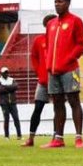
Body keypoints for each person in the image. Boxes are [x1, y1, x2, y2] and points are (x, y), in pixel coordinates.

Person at [46, 0, 83, 148]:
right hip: (53, 70)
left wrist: (69, 58)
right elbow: (48, 46)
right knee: (57, 104)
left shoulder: (75, 21)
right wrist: (49, 63)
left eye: (60, 1)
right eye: (55, 1)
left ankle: (78, 137)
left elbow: (80, 44)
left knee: (74, 101)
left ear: (68, 3)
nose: (57, 4)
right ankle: (58, 138)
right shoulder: (51, 24)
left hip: (69, 69)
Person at [24, 14, 56, 147]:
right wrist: (40, 72)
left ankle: (56, 137)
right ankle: (31, 138)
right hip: (43, 81)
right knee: (37, 108)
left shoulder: (59, 39)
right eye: (48, 24)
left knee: (58, 109)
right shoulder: (39, 40)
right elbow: (34, 57)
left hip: (57, 79)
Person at [0, 67, 22, 141]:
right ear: (1, 73)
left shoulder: (12, 79)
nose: (6, 74)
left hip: (13, 103)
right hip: (4, 103)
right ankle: (6, 136)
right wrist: (10, 88)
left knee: (16, 118)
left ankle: (19, 135)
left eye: (7, 72)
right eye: (5, 72)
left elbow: (16, 86)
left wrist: (5, 87)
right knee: (6, 119)